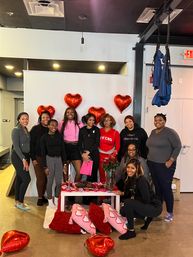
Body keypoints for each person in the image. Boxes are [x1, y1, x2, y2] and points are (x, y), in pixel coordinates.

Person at [146, 113, 181, 222]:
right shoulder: (153, 132)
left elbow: (178, 146)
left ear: (164, 121)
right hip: (152, 163)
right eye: (156, 120)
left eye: (160, 120)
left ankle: (170, 213)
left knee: (165, 188)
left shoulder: (170, 132)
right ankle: (157, 210)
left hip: (165, 165)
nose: (157, 122)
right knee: (157, 188)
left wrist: (171, 160)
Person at [116, 159, 162, 240]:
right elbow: (128, 193)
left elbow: (146, 199)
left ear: (137, 169)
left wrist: (133, 201)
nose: (129, 170)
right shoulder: (130, 178)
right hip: (146, 205)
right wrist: (122, 193)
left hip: (154, 207)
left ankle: (131, 231)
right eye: (128, 167)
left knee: (128, 203)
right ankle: (146, 218)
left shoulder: (141, 180)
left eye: (132, 168)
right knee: (123, 211)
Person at [41, 119, 67, 208]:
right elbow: (43, 153)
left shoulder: (59, 136)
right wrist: (45, 166)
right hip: (49, 159)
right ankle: (50, 201)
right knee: (50, 181)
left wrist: (64, 163)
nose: (54, 127)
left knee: (59, 182)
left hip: (59, 160)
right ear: (48, 126)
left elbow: (63, 150)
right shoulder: (44, 137)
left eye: (56, 125)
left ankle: (56, 198)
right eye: (52, 125)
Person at [11, 112, 31, 211]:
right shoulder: (16, 130)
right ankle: (21, 202)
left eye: (27, 119)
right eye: (23, 119)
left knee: (19, 178)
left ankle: (17, 201)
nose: (25, 120)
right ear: (19, 119)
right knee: (27, 179)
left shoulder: (26, 129)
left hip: (26, 156)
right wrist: (23, 159)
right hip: (18, 156)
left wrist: (28, 158)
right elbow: (16, 147)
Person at [30, 111, 51, 206]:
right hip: (38, 157)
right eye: (43, 117)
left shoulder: (52, 128)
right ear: (40, 119)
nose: (45, 119)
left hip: (49, 158)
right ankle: (39, 197)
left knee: (47, 178)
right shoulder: (35, 129)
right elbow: (31, 145)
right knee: (40, 178)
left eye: (47, 117)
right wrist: (33, 158)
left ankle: (43, 196)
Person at [59, 107, 83, 182]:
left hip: (75, 148)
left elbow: (83, 137)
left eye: (72, 112)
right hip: (65, 148)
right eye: (68, 112)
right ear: (65, 114)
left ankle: (74, 188)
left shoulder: (80, 124)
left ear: (75, 114)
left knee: (80, 172)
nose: (70, 114)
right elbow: (58, 136)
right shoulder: (62, 123)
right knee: (65, 171)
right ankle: (66, 188)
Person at [78, 113, 100, 182]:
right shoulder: (82, 130)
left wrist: (89, 151)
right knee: (87, 174)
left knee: (94, 173)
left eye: (93, 120)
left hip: (94, 153)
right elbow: (79, 143)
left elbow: (97, 143)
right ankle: (87, 190)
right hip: (85, 155)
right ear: (86, 120)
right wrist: (83, 154)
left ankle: (94, 191)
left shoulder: (97, 129)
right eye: (90, 120)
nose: (92, 122)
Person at [99, 113, 120, 183]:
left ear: (111, 121)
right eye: (104, 120)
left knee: (110, 175)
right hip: (100, 156)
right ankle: (102, 192)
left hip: (111, 157)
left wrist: (113, 156)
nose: (106, 122)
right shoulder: (99, 131)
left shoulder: (115, 133)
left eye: (108, 120)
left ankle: (110, 191)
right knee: (101, 175)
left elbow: (117, 146)